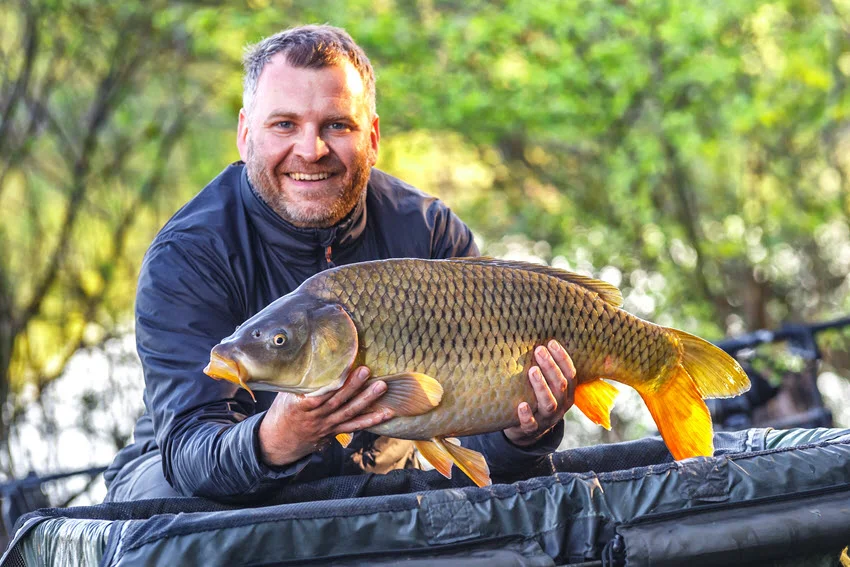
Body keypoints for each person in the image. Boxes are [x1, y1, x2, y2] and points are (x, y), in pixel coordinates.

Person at [103, 24, 576, 502]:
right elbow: (191, 448)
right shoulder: (189, 255)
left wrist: (521, 434)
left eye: (337, 125)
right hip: (192, 481)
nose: (311, 150)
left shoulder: (428, 231)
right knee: (174, 506)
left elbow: (476, 445)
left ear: (371, 136)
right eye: (284, 124)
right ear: (246, 135)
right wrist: (278, 437)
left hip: (383, 474)